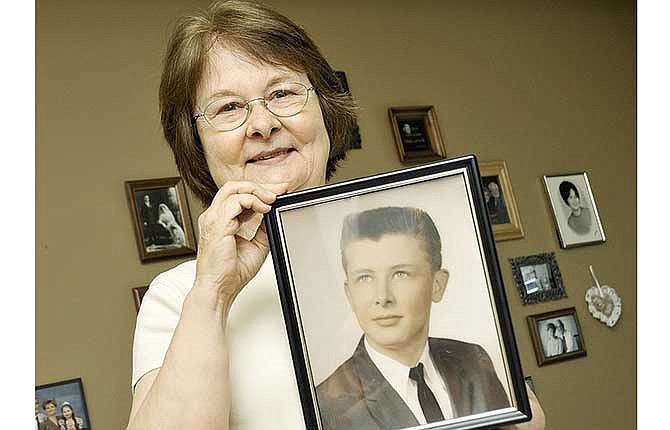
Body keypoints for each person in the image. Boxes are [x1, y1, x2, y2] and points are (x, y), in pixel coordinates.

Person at [127, 2, 544, 430]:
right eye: (228, 108)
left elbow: (526, 423)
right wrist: (213, 293)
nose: (262, 123)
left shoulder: (419, 246)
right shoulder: (178, 297)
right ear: (197, 143)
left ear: (325, 110)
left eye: (282, 93)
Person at [317, 207, 509, 430]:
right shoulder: (325, 406)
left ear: (437, 284)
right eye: (365, 278)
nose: (382, 297)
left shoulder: (473, 360)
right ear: (349, 294)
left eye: (400, 274)